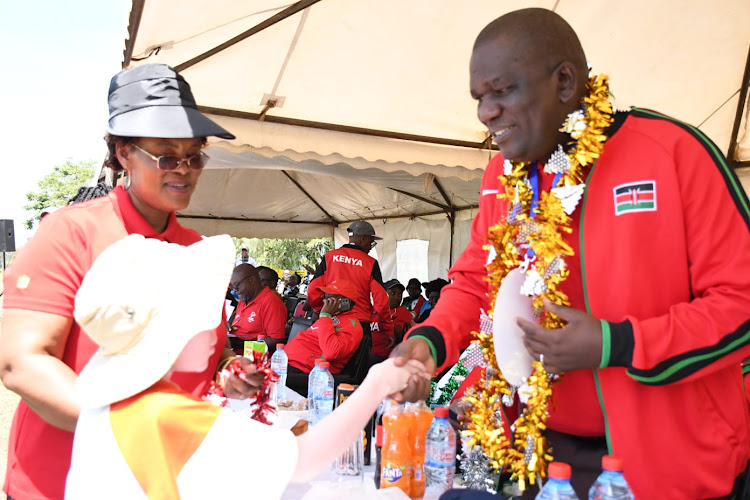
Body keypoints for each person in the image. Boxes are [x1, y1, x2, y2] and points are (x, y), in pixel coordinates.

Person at [390, 8, 750, 499]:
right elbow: (477, 282)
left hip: (670, 466)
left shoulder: (673, 153)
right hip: (544, 458)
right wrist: (428, 343)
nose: (485, 113)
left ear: (564, 82)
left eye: (502, 91)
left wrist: (616, 344)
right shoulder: (503, 176)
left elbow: (741, 302)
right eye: (480, 98)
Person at [0, 63, 263, 500]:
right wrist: (127, 420)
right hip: (61, 482)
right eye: (167, 155)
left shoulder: (197, 249)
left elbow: (210, 353)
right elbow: (21, 361)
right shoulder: (69, 232)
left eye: (194, 156)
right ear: (123, 153)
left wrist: (229, 371)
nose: (184, 169)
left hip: (158, 480)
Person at [65, 234, 429, 499]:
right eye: (208, 320)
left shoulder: (112, 406)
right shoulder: (165, 415)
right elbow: (304, 462)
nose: (221, 332)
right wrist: (377, 384)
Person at [308, 220, 392, 338]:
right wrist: (387, 329)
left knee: (328, 354)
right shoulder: (370, 263)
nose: (371, 246)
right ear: (362, 239)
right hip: (359, 323)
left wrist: (322, 310)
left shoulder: (329, 257)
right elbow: (381, 302)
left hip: (331, 320)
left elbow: (312, 290)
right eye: (370, 241)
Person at [285, 280, 363, 375]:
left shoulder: (352, 326)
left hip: (302, 371)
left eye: (331, 297)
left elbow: (331, 352)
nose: (324, 299)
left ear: (346, 302)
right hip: (287, 362)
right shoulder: (331, 317)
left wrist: (325, 316)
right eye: (326, 295)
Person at [229, 264, 287, 354]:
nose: (235, 290)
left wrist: (238, 343)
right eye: (232, 287)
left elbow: (276, 341)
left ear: (251, 280)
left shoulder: (271, 302)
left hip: (253, 358)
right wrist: (229, 326)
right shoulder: (244, 299)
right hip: (234, 352)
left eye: (236, 286)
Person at [369, 279, 413, 364]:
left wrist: (385, 317)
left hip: (386, 356)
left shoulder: (402, 311)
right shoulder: (372, 310)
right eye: (392, 293)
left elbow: (399, 334)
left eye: (399, 294)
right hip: (367, 352)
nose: (396, 297)